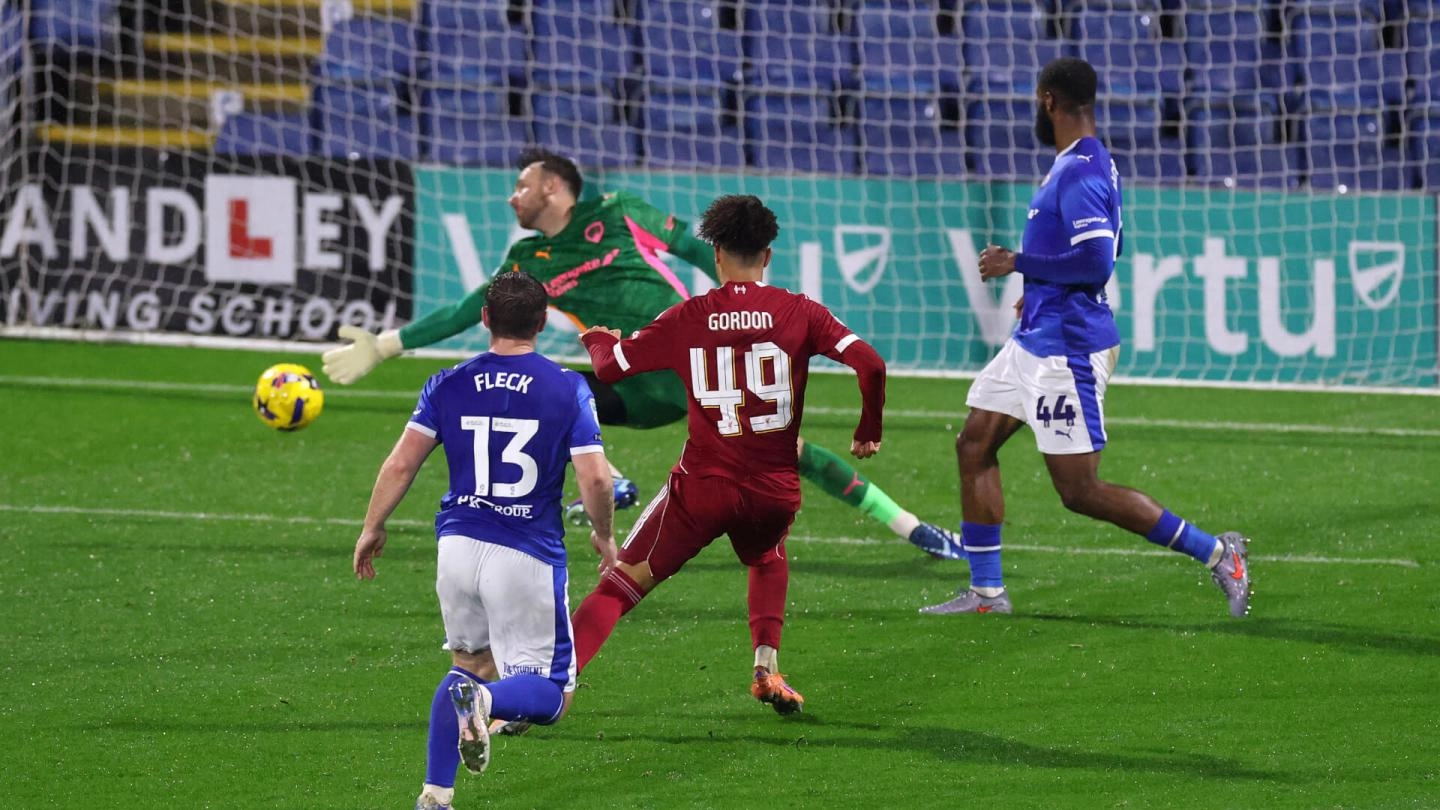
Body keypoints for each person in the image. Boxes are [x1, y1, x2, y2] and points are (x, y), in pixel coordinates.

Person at [321, 149, 960, 562]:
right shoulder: (527, 262)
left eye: (521, 184)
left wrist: (741, 311)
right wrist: (386, 345)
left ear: (553, 186)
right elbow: (469, 311)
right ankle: (611, 478)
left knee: (792, 454)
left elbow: (697, 245)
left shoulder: (621, 213)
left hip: (692, 365)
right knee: (546, 392)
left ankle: (912, 528)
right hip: (629, 380)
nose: (512, 196)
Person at [921, 57, 1252, 618]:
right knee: (974, 443)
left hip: (1066, 349)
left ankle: (1220, 555)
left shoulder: (1080, 171)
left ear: (1048, 100)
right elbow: (1106, 248)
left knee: (1080, 490)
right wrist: (1041, 287)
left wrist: (1018, 262)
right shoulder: (1079, 163)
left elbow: (1098, 261)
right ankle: (986, 593)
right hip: (1036, 336)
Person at [570, 194, 888, 715]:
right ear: (767, 254)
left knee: (622, 582)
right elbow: (871, 365)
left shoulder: (687, 317)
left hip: (703, 488)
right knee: (767, 555)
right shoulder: (801, 311)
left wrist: (598, 339)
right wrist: (867, 428)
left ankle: (549, 685)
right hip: (773, 491)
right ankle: (766, 666)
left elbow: (610, 369)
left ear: (716, 253)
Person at [350, 270, 618, 810]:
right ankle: (487, 701)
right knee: (552, 695)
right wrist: (605, 536)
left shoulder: (447, 382)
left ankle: (435, 794)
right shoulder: (567, 386)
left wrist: (372, 526)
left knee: (464, 666)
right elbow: (594, 478)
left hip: (456, 549)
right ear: (543, 323)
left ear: (484, 319)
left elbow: (402, 463)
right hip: (524, 554)